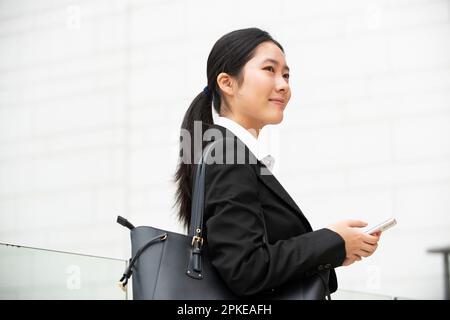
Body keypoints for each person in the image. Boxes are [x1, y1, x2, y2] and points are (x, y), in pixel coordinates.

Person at [174, 27, 381, 298]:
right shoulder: (227, 156)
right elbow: (246, 269)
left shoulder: (230, 153)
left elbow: (255, 260)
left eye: (286, 74)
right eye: (269, 70)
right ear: (227, 83)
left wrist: (336, 250)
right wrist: (331, 240)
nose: (283, 85)